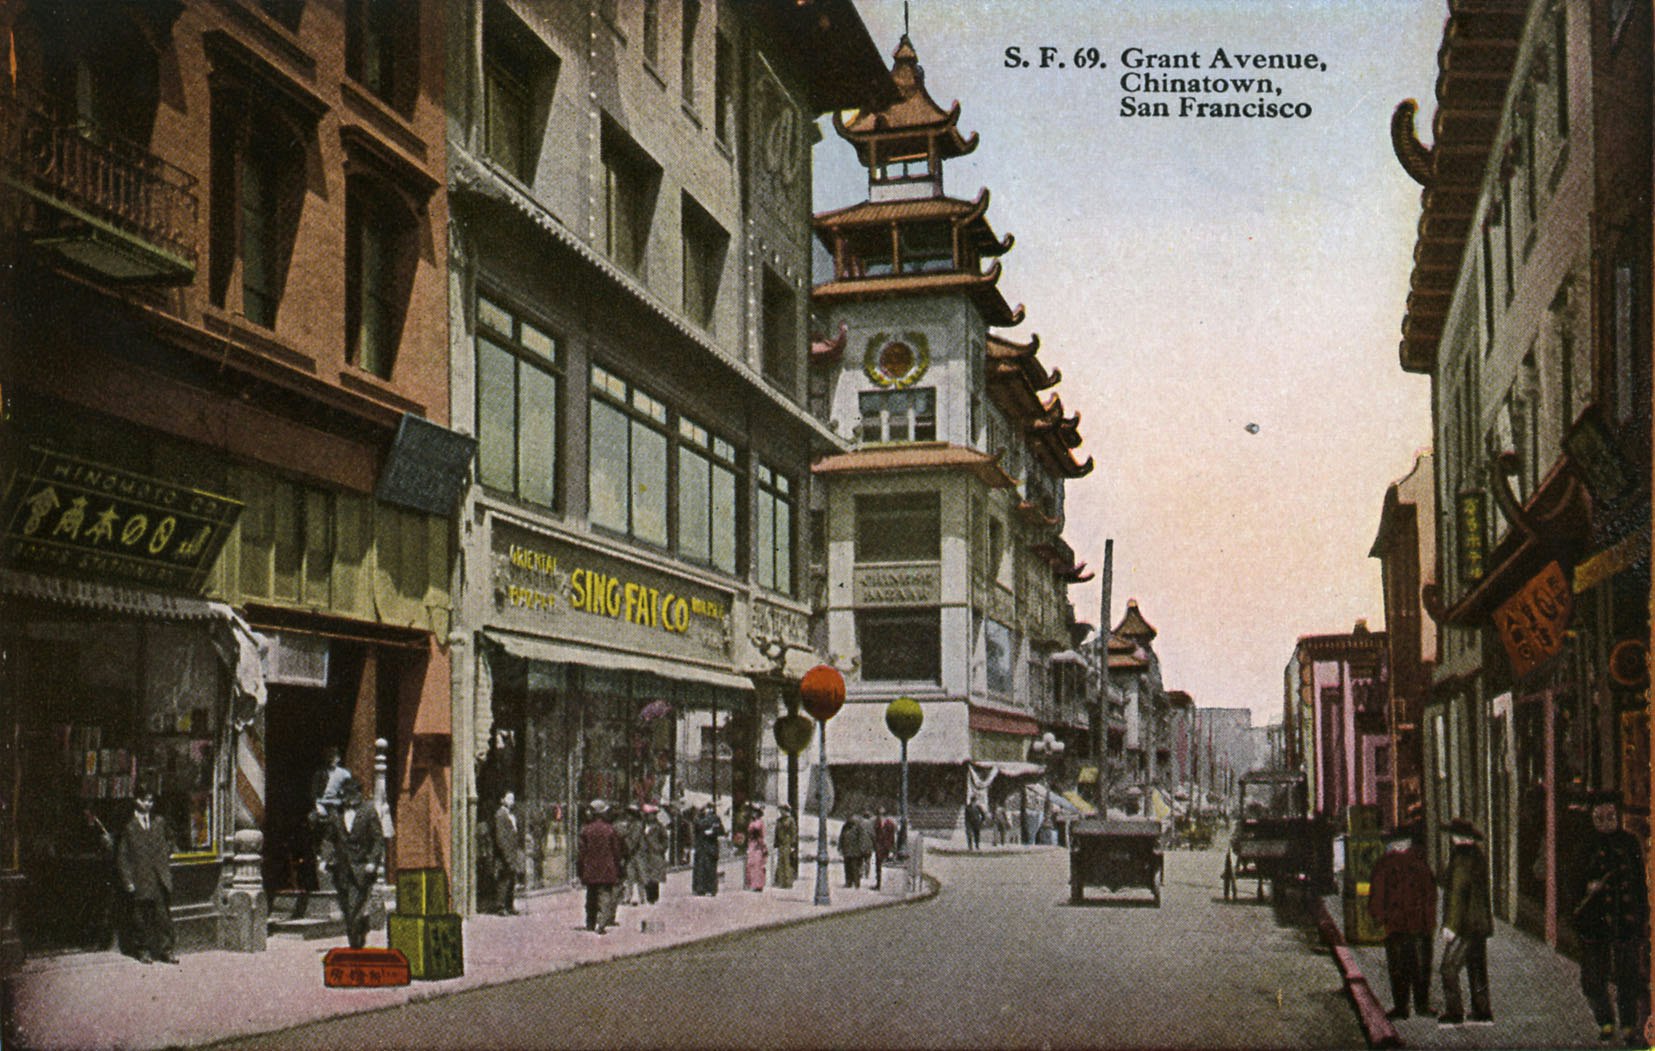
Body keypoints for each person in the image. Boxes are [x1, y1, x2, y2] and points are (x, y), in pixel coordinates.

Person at [1574, 793, 1648, 1045]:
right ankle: (1605, 1021)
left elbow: (1640, 884)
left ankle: (1628, 1025)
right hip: (1594, 924)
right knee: (1593, 979)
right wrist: (1587, 887)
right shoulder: (1584, 845)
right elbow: (1571, 884)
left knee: (1628, 976)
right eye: (1598, 818)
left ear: (1617, 816)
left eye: (1610, 817)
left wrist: (1641, 918)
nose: (1605, 822)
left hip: (1624, 921)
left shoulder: (1629, 843)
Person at [1369, 822, 1437, 1020]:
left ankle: (1401, 1008)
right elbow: (1430, 895)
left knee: (1398, 969)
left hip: (1396, 925)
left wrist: (1378, 917)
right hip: (1419, 926)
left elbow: (1377, 893)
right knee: (1421, 969)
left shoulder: (1384, 864)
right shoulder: (1419, 863)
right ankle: (1422, 1006)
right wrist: (1429, 921)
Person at [1438, 817, 1493, 1027]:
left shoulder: (1461, 859)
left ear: (1458, 838)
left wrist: (1451, 926)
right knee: (1477, 966)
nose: (1451, 839)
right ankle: (1482, 1011)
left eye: (1453, 835)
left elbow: (1458, 895)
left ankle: (1454, 1013)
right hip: (1479, 923)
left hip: (1465, 925)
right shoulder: (1477, 856)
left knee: (1448, 967)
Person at [116, 787, 177, 964]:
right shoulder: (129, 827)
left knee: (163, 916)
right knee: (140, 917)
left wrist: (165, 855)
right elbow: (123, 856)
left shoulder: (159, 822)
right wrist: (128, 880)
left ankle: (167, 950)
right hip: (140, 877)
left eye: (151, 801)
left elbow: (171, 839)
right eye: (144, 800)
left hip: (159, 878)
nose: (148, 804)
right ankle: (143, 950)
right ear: (136, 801)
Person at [324, 777, 386, 950]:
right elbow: (329, 838)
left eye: (350, 795)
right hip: (341, 868)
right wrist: (325, 858)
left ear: (358, 794)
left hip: (361, 868)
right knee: (346, 908)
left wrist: (373, 862)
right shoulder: (336, 813)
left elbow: (378, 840)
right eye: (344, 795)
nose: (346, 799)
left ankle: (355, 945)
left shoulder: (368, 811)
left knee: (354, 906)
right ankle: (358, 931)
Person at [577, 800, 623, 933]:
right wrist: (618, 866)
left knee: (591, 896)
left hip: (590, 868)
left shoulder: (586, 830)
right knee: (605, 896)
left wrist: (580, 869)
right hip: (607, 868)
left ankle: (590, 923)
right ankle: (601, 923)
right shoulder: (610, 830)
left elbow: (581, 852)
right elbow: (616, 851)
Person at [491, 791, 520, 915]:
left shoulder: (510, 815)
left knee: (511, 880)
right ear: (502, 799)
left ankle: (509, 905)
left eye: (512, 799)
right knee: (503, 880)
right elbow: (500, 838)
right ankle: (501, 906)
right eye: (508, 798)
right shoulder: (500, 815)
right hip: (504, 855)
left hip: (511, 854)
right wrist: (506, 856)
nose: (511, 801)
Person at [691, 804, 726, 896]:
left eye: (708, 809)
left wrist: (713, 832)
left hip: (710, 847)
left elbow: (721, 831)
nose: (706, 811)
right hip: (701, 847)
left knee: (709, 869)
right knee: (700, 869)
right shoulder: (698, 819)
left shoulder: (715, 818)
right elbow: (696, 829)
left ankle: (709, 889)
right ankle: (700, 889)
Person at [618, 804, 646, 907]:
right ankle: (629, 897)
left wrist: (627, 849)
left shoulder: (637, 825)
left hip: (637, 853)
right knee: (630, 876)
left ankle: (641, 897)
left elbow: (633, 840)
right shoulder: (631, 824)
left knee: (639, 876)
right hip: (634, 854)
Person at [640, 804, 669, 904]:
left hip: (655, 854)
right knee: (646, 875)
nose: (650, 817)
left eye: (652, 815)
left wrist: (660, 848)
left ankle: (653, 897)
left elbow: (665, 840)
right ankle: (647, 896)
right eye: (648, 815)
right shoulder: (642, 826)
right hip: (644, 854)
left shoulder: (659, 827)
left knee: (654, 877)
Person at [839, 811, 872, 887]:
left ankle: (856, 883)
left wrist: (861, 849)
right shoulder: (845, 827)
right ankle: (848, 882)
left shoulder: (858, 827)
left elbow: (861, 839)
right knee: (847, 867)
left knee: (855, 868)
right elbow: (841, 837)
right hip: (846, 850)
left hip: (855, 851)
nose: (849, 820)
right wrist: (840, 847)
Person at [773, 804, 798, 890]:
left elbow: (793, 833)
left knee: (787, 862)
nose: (780, 812)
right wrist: (775, 843)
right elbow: (776, 832)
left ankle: (788, 882)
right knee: (780, 862)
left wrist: (793, 845)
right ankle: (780, 881)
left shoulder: (790, 820)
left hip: (787, 843)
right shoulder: (779, 820)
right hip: (780, 843)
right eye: (780, 810)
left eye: (782, 810)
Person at [744, 805, 768, 891]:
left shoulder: (760, 822)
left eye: (755, 812)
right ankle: (752, 884)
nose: (754, 814)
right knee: (751, 863)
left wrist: (763, 845)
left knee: (758, 864)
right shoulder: (751, 822)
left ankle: (758, 885)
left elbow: (762, 834)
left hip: (758, 844)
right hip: (751, 844)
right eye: (753, 812)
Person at [873, 808, 898, 890]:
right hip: (879, 847)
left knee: (885, 866)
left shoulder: (890, 824)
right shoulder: (877, 823)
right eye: (879, 814)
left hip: (886, 847)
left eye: (881, 814)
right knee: (878, 866)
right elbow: (875, 834)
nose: (880, 816)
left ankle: (884, 884)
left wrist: (892, 849)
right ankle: (878, 884)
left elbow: (892, 838)